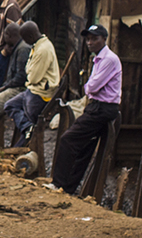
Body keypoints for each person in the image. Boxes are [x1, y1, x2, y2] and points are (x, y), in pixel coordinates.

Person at [51, 25, 122, 193]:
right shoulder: (98, 58)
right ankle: (68, 187)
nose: (90, 42)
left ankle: (58, 183)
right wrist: (89, 87)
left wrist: (89, 87)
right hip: (98, 106)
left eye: (94, 38)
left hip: (102, 108)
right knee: (85, 148)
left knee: (68, 139)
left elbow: (92, 87)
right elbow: (89, 87)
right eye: (88, 39)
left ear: (104, 39)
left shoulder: (109, 59)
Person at [7, 22, 60, 145]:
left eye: (25, 39)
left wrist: (30, 73)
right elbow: (28, 71)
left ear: (30, 37)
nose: (24, 42)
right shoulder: (37, 46)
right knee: (10, 105)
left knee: (30, 130)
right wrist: (30, 73)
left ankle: (20, 150)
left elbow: (33, 78)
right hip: (32, 89)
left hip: (40, 92)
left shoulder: (43, 49)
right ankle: (26, 126)